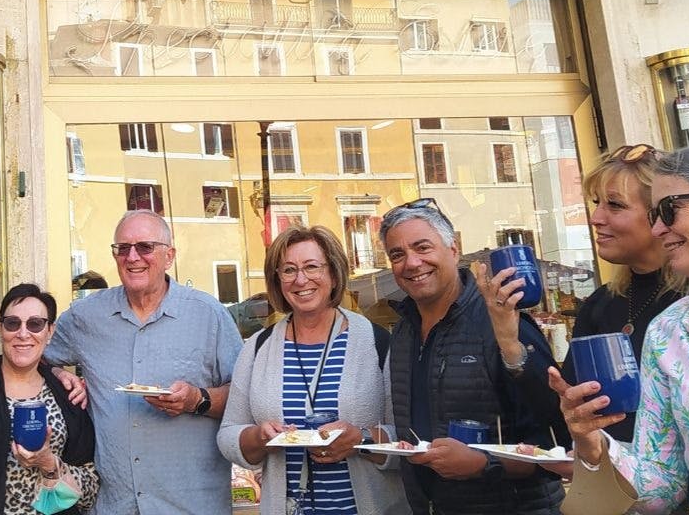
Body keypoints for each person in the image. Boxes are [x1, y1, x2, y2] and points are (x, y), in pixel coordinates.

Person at [552, 143, 689, 515]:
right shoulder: (670, 331)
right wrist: (593, 444)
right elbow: (662, 483)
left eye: (667, 210)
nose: (658, 227)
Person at [476, 143, 685, 443]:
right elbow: (562, 414)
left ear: (660, 215)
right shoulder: (601, 304)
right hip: (615, 484)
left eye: (615, 205)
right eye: (597, 203)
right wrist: (509, 339)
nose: (596, 218)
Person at [44, 209, 243, 515]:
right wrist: (58, 372)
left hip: (190, 505)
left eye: (145, 247)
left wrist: (197, 400)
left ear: (169, 256)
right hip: (114, 505)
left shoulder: (208, 314)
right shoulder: (87, 316)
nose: (132, 257)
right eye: (122, 248)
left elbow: (244, 397)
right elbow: (32, 355)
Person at [381, 199, 565, 515]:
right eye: (397, 254)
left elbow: (554, 439)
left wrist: (484, 464)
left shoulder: (501, 317)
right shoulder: (402, 331)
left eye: (422, 247)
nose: (411, 263)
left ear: (454, 249)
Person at [217, 225, 408, 515]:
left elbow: (410, 438)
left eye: (311, 267)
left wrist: (361, 439)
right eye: (289, 270)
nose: (301, 279)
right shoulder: (258, 348)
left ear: (333, 274)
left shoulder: (376, 342)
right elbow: (228, 435)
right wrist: (259, 438)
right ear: (278, 280)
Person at [0, 283, 99, 514]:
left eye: (35, 324)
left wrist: (49, 463)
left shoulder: (67, 395)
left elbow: (90, 488)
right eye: (12, 323)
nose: (23, 333)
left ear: (50, 332)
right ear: (0, 329)